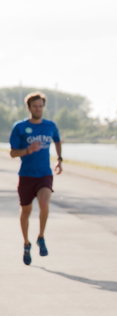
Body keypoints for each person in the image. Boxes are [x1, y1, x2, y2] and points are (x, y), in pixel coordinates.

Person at [9, 92, 63, 265]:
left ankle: (41, 236)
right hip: (26, 176)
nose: (38, 109)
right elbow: (12, 153)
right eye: (35, 106)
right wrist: (27, 151)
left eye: (40, 106)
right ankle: (26, 243)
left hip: (44, 174)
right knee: (26, 211)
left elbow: (57, 140)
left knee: (44, 204)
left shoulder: (50, 126)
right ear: (29, 108)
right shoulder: (19, 127)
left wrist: (59, 160)